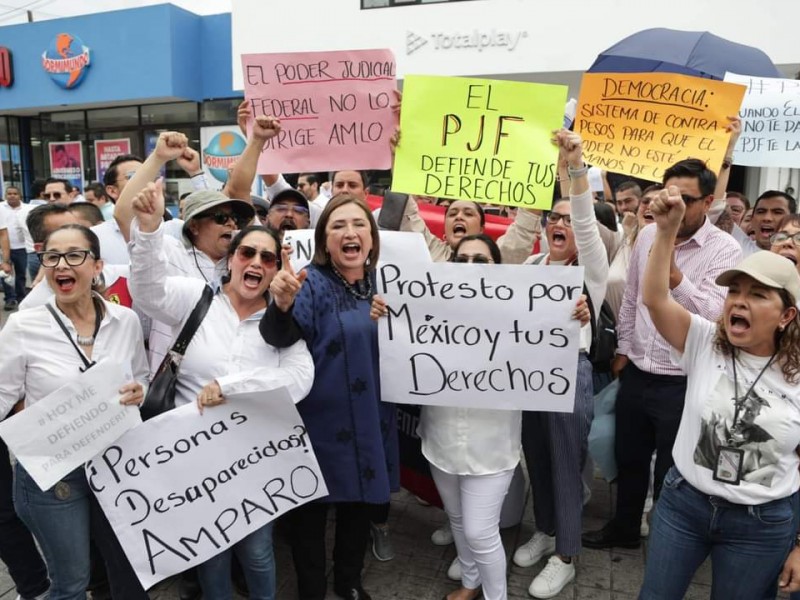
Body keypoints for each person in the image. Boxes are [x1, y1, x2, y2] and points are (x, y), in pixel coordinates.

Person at [373, 232, 588, 600]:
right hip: (440, 439)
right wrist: (381, 315)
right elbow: (398, 347)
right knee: (458, 520)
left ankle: (495, 596)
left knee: (479, 531)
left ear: (498, 270)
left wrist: (571, 319)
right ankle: (470, 581)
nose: (470, 268)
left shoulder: (522, 313)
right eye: (462, 260)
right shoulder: (427, 308)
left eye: (481, 261)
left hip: (492, 446)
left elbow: (547, 353)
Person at [128, 181, 314, 600]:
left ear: (276, 268)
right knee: (210, 551)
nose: (256, 262)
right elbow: (147, 290)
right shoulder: (195, 299)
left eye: (267, 257)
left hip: (254, 459)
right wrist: (150, 229)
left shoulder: (284, 319)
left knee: (258, 552)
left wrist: (230, 386)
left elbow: (300, 379)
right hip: (192, 456)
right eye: (247, 252)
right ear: (230, 260)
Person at [637, 185, 800, 599]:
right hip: (683, 507)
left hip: (760, 525)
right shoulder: (705, 340)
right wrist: (666, 231)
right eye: (734, 292)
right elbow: (655, 299)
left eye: (757, 295)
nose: (737, 303)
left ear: (786, 315)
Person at [583, 157, 742, 551]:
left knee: (673, 469)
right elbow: (634, 297)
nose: (674, 205)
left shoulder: (725, 250)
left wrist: (676, 278)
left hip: (685, 381)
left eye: (686, 198)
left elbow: (714, 317)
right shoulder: (649, 236)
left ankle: (671, 542)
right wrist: (623, 348)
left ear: (708, 202)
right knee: (629, 457)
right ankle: (624, 528)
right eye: (669, 194)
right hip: (637, 372)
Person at [260, 194, 398, 600]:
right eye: (338, 225)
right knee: (310, 516)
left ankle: (350, 581)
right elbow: (280, 337)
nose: (350, 232)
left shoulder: (389, 285)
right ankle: (311, 589)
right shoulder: (310, 282)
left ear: (371, 240)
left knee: (358, 506)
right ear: (324, 240)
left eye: (359, 224)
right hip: (319, 423)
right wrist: (281, 306)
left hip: (372, 416)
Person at [0, 224, 148, 600]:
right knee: (71, 583)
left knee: (125, 566)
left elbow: (140, 377)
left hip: (114, 469)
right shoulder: (22, 326)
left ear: (97, 265)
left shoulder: (125, 322)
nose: (62, 265)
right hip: (54, 477)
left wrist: (139, 392)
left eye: (74, 255)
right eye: (52, 257)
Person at [514, 130, 609, 598]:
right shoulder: (530, 267)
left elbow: (587, 223)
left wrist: (575, 169)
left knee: (566, 463)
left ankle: (566, 554)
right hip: (529, 373)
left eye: (567, 220)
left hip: (569, 373)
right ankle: (547, 528)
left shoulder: (590, 268)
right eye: (554, 218)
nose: (561, 224)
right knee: (537, 457)